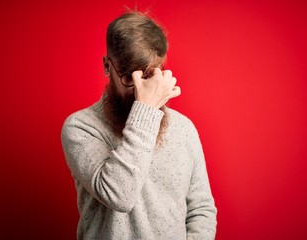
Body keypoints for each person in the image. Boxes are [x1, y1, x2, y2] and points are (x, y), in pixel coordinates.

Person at [61, 10, 217, 240]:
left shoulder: (184, 129)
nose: (140, 89)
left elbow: (201, 209)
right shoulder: (81, 128)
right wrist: (146, 111)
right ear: (107, 66)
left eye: (147, 75)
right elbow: (119, 196)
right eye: (128, 77)